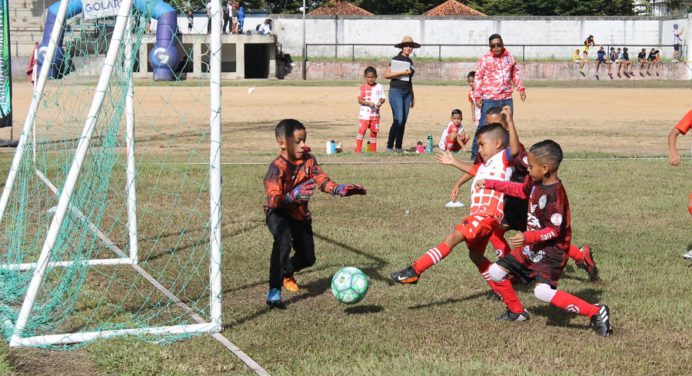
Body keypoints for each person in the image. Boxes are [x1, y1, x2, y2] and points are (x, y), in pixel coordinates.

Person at [478, 140, 613, 336]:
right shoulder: (535, 181)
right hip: (531, 249)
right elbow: (520, 190)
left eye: (531, 167)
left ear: (546, 168)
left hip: (552, 252)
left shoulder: (555, 195)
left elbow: (554, 230)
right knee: (495, 273)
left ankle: (596, 312)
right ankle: (516, 312)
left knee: (541, 292)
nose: (528, 170)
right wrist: (491, 184)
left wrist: (527, 237)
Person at [450, 106, 599, 280]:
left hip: (523, 200)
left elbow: (536, 171)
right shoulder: (489, 147)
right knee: (497, 233)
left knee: (537, 237)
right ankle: (511, 270)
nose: (491, 127)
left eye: (495, 123)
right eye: (488, 123)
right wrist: (458, 183)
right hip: (508, 200)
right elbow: (479, 170)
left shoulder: (515, 150)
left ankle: (514, 271)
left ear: (506, 125)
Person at [391, 123, 521, 306]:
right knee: (475, 256)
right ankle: (502, 291)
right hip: (482, 217)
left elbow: (515, 149)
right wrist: (453, 163)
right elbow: (474, 170)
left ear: (498, 143)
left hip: (486, 216)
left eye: (482, 144)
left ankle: (415, 270)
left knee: (453, 237)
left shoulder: (503, 159)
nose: (480, 149)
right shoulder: (486, 164)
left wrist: (509, 120)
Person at [263, 119, 367, 308]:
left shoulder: (309, 160)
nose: (303, 145)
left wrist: (342, 189)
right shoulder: (276, 167)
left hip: (300, 215)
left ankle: (287, 272)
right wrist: (292, 196)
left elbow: (323, 181)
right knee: (283, 240)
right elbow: (273, 200)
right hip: (278, 213)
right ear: (282, 143)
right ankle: (274, 292)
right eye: (298, 141)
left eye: (304, 140)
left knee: (308, 258)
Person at [471, 33, 526, 162]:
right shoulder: (485, 59)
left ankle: (507, 153)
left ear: (502, 44)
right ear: (490, 47)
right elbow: (478, 78)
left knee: (507, 125)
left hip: (506, 97)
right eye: (493, 46)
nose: (496, 47)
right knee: (484, 126)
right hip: (490, 98)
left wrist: (521, 88)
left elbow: (515, 73)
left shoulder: (509, 57)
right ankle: (475, 153)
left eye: (498, 45)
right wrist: (477, 96)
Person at [384, 36, 419, 153]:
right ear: (402, 47)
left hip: (407, 93)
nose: (409, 48)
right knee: (398, 119)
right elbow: (386, 75)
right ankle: (389, 146)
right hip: (396, 92)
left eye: (410, 46)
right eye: (406, 46)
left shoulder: (410, 61)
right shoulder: (395, 59)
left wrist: (412, 96)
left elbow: (409, 80)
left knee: (403, 120)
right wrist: (401, 72)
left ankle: (398, 146)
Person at [355, 66, 386, 153]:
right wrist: (368, 103)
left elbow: (383, 98)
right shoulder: (362, 87)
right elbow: (360, 100)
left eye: (372, 77)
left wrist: (380, 102)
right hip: (364, 115)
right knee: (362, 131)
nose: (370, 79)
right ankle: (358, 150)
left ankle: (373, 151)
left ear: (376, 76)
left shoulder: (379, 87)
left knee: (373, 132)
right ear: (365, 77)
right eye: (368, 77)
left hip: (375, 114)